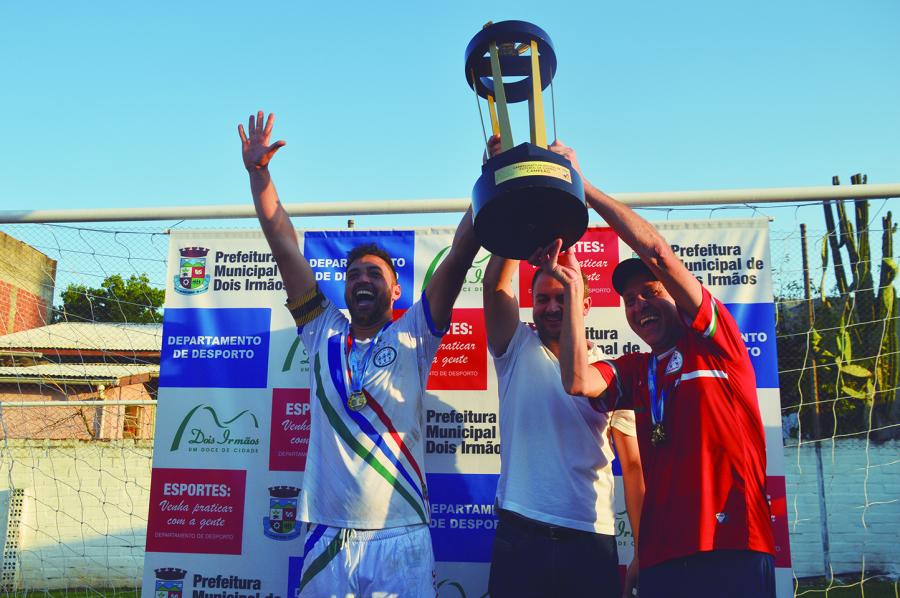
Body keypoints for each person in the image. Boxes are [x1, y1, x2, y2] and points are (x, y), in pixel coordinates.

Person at [239, 111, 480, 597]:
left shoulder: (416, 333)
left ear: (395, 291)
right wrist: (259, 175)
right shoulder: (321, 329)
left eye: (375, 273)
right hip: (329, 535)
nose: (363, 279)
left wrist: (486, 185)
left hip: (403, 532)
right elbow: (283, 243)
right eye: (353, 275)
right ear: (344, 289)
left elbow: (458, 256)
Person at [532, 142, 776, 598]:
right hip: (663, 557)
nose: (639, 304)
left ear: (677, 296)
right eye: (629, 299)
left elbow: (659, 254)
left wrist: (585, 192)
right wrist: (571, 288)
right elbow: (577, 380)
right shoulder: (638, 369)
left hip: (732, 544)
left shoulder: (715, 341)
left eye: (651, 292)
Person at [482, 136, 644, 598]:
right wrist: (512, 205)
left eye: (562, 296)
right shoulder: (515, 346)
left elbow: (632, 468)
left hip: (588, 538)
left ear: (586, 302)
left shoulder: (610, 374)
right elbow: (496, 287)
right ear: (530, 304)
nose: (552, 306)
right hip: (519, 530)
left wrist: (644, 548)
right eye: (543, 298)